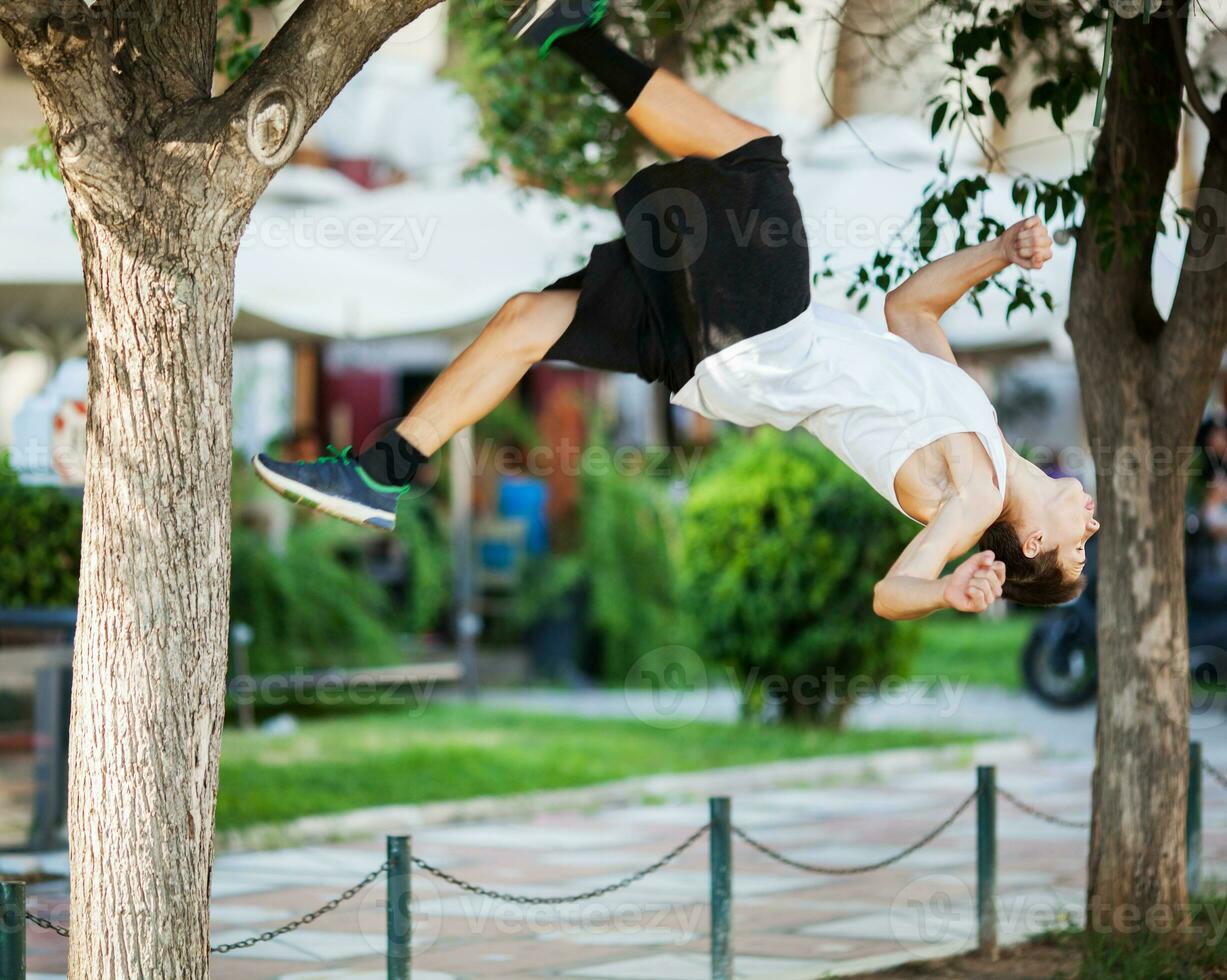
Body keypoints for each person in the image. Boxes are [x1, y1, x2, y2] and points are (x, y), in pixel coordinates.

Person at [254, 0, 1100, 619]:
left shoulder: (975, 499)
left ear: (1027, 545)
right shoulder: (977, 435)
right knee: (524, 318)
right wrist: (995, 252)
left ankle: (567, 30)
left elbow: (889, 593)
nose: (1089, 523)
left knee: (750, 156)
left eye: (1075, 546)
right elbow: (910, 309)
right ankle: (377, 473)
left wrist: (944, 590)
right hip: (734, 359)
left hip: (767, 334)